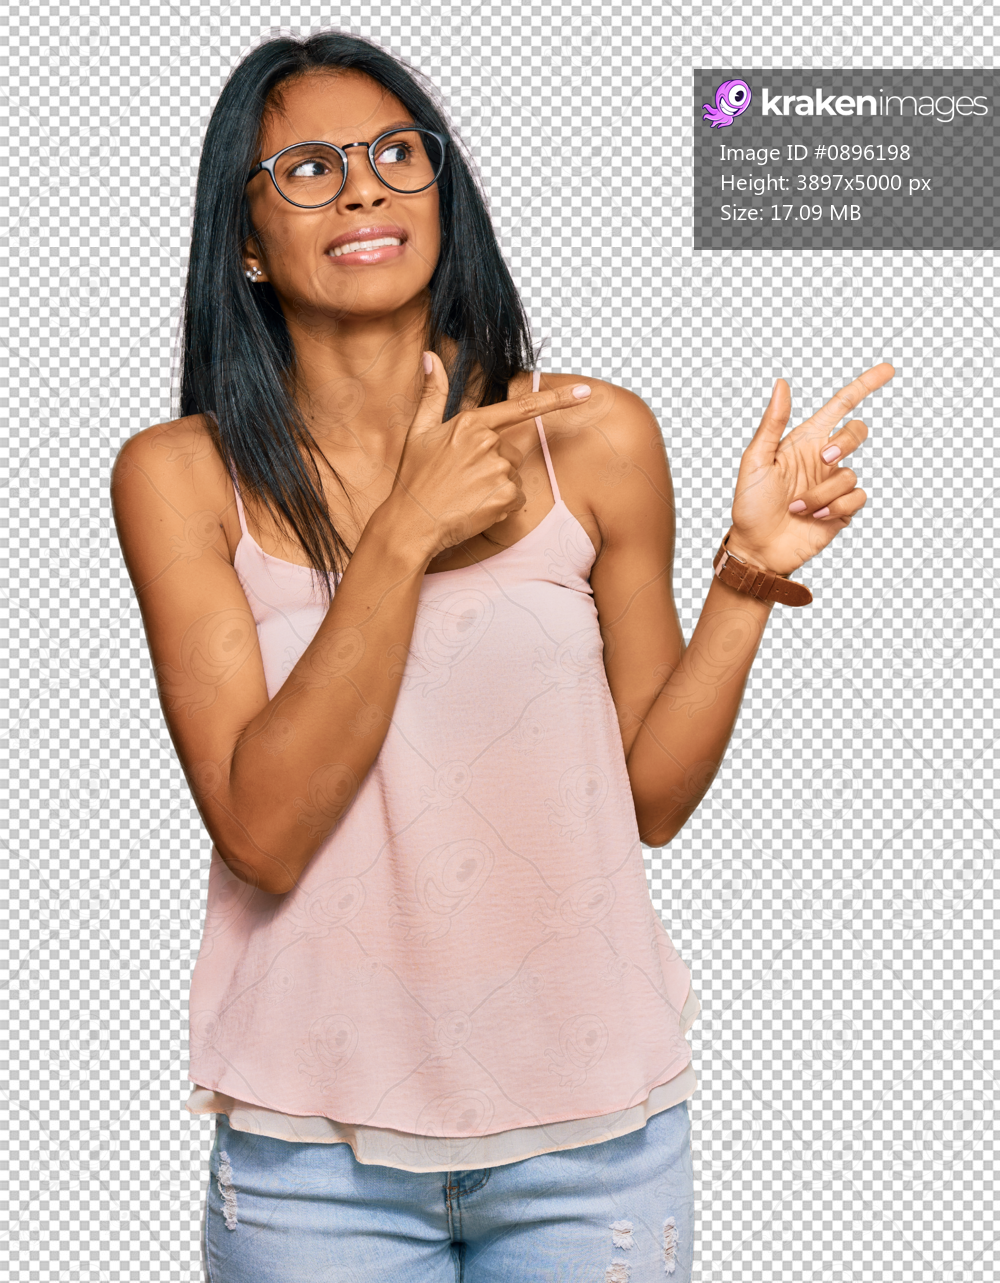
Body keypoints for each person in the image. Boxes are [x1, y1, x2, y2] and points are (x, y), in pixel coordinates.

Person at [110, 29, 893, 1283]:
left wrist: (747, 577)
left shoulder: (592, 438)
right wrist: (406, 530)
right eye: (305, 168)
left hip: (594, 1145)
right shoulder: (182, 476)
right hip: (315, 1156)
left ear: (440, 193)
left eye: (390, 154)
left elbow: (653, 798)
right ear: (246, 243)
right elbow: (260, 828)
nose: (361, 186)